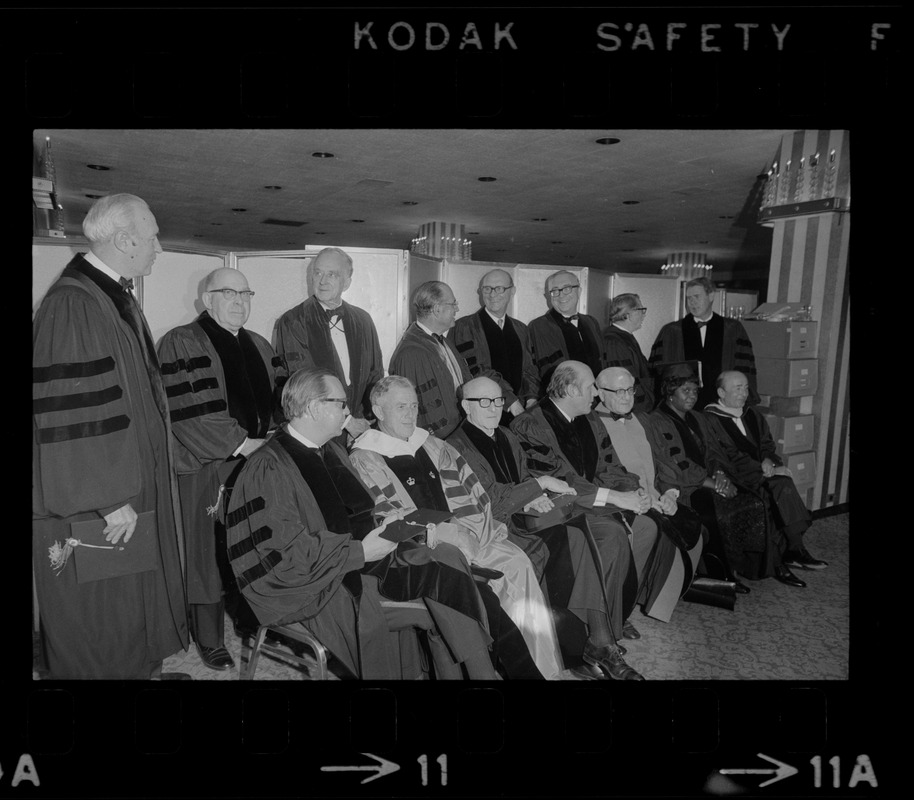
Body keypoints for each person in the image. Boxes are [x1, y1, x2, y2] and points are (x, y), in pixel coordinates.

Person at [224, 369, 500, 679]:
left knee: (448, 556)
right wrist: (359, 552)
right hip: (316, 584)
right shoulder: (267, 467)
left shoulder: (332, 450)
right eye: (341, 404)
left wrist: (386, 519)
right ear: (314, 407)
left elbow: (359, 512)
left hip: (357, 559)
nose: (348, 412)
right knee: (444, 606)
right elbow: (282, 555)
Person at [32, 193, 188, 679]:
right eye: (153, 234)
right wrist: (107, 495)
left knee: (129, 606)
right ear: (124, 239)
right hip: (97, 498)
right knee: (101, 618)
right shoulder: (73, 304)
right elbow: (74, 409)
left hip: (124, 486)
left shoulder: (110, 296)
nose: (159, 246)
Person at [350, 376, 566, 679]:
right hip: (423, 551)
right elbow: (387, 518)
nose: (410, 414)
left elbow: (472, 495)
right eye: (400, 407)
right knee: (482, 593)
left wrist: (471, 533)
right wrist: (446, 532)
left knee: (518, 563)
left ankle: (546, 666)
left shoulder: (433, 444)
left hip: (469, 535)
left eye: (414, 406)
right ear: (378, 411)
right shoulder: (365, 457)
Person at [448, 376, 639, 680]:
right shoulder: (455, 447)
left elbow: (522, 480)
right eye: (483, 402)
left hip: (523, 519)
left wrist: (534, 498)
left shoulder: (506, 436)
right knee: (567, 541)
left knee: (579, 532)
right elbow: (488, 502)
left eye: (498, 400)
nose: (494, 408)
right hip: (494, 531)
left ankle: (598, 641)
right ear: (464, 406)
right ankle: (589, 645)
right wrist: (535, 489)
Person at [157, 267, 286, 671]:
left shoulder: (260, 344)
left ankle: (251, 619)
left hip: (256, 460)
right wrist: (244, 443)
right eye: (227, 292)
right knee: (204, 553)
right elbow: (189, 409)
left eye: (246, 293)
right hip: (205, 464)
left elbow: (283, 398)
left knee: (253, 539)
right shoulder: (182, 341)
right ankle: (209, 636)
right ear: (206, 299)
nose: (238, 301)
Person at [511, 360, 667, 679]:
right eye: (591, 388)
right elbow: (560, 482)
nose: (597, 393)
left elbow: (610, 466)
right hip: (542, 512)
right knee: (610, 533)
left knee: (642, 526)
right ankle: (597, 639)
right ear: (569, 390)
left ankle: (602, 633)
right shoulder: (530, 424)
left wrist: (634, 491)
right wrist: (615, 499)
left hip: (584, 505)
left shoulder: (589, 418)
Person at [593, 367, 706, 620]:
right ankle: (617, 610)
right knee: (654, 532)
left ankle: (635, 603)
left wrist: (670, 493)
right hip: (622, 502)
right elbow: (602, 473)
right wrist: (638, 497)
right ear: (600, 393)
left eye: (630, 390)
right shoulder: (591, 424)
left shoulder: (644, 420)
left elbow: (665, 461)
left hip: (656, 498)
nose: (626, 397)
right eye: (618, 391)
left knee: (693, 528)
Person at [703, 371, 825, 586]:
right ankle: (780, 561)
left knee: (782, 485)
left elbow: (767, 444)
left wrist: (769, 459)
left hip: (761, 473)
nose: (743, 393)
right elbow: (726, 455)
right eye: (737, 388)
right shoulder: (710, 418)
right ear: (721, 392)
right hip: (736, 477)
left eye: (746, 387)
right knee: (775, 489)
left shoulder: (753, 413)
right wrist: (762, 468)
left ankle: (794, 549)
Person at [274, 247, 384, 441]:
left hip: (362, 428)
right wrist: (347, 421)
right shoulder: (293, 321)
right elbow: (304, 382)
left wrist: (367, 419)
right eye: (317, 273)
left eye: (331, 274)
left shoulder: (363, 320)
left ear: (347, 282)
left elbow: (375, 373)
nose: (322, 281)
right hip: (317, 428)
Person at [649, 276, 758, 409]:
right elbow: (660, 372)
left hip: (722, 404)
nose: (692, 302)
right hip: (684, 406)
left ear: (711, 296)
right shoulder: (672, 331)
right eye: (689, 298)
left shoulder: (732, 329)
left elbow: (743, 370)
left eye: (697, 296)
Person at [451, 269, 540, 426]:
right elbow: (476, 369)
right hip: (483, 410)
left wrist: (531, 398)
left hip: (519, 412)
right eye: (487, 289)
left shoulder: (521, 329)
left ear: (512, 291)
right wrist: (511, 402)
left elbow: (529, 368)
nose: (492, 294)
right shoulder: (465, 327)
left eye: (499, 288)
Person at [388, 281, 472, 439]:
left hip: (458, 435)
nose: (457, 309)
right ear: (437, 309)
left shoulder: (442, 342)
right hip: (440, 442)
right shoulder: (412, 353)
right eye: (453, 304)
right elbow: (423, 414)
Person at [527, 270, 605, 390]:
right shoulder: (539, 326)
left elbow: (603, 361)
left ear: (579, 290)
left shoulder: (591, 322)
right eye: (555, 290)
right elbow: (540, 370)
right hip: (564, 397)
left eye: (567, 288)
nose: (561, 295)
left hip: (596, 394)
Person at [602, 293, 655, 412]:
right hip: (631, 410)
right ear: (628, 315)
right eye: (641, 310)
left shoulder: (624, 338)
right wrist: (644, 406)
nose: (644, 315)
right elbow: (623, 383)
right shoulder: (614, 342)